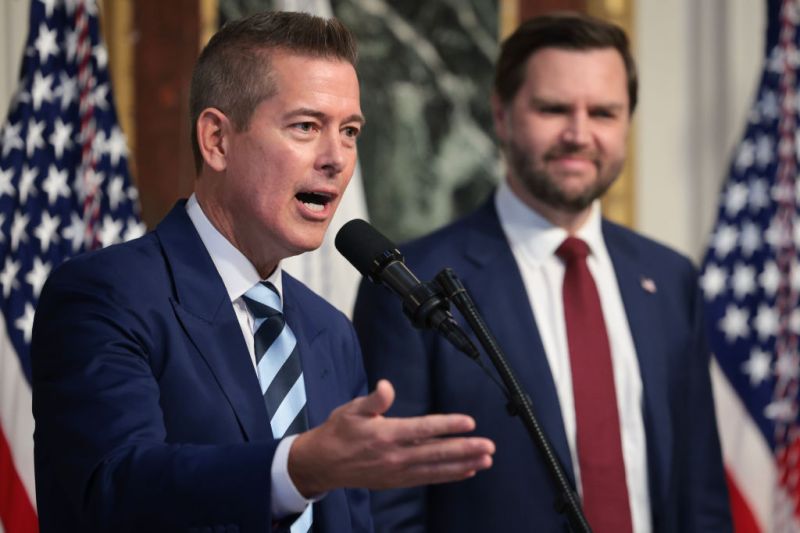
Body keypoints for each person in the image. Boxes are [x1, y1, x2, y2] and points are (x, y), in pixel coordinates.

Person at [30, 11, 495, 533]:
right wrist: (296, 468)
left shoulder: (330, 331)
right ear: (218, 141)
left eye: (350, 131)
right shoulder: (106, 295)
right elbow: (114, 488)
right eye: (306, 126)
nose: (338, 158)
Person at [353, 12, 732, 533]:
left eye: (603, 113)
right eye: (554, 109)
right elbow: (387, 506)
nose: (579, 134)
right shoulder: (413, 282)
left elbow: (700, 492)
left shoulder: (669, 278)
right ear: (502, 116)